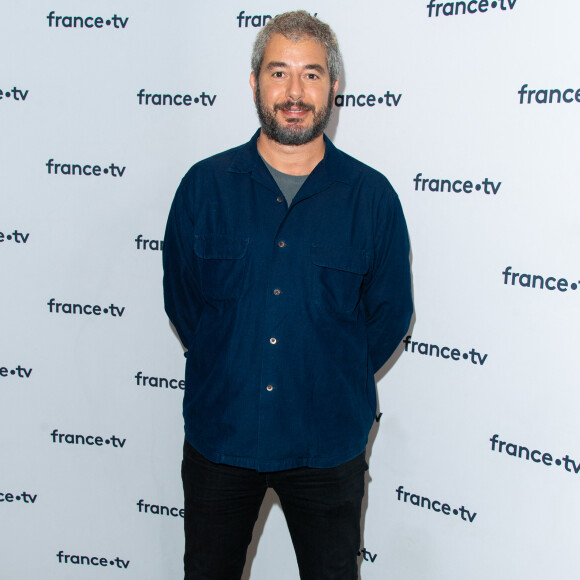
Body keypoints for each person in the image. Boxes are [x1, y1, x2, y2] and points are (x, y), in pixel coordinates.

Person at [163, 10, 413, 580]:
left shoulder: (371, 199)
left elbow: (389, 313)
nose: (294, 92)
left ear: (334, 86)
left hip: (326, 443)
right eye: (279, 73)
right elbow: (183, 300)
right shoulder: (204, 188)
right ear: (254, 83)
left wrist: (330, 370)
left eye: (311, 74)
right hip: (221, 437)